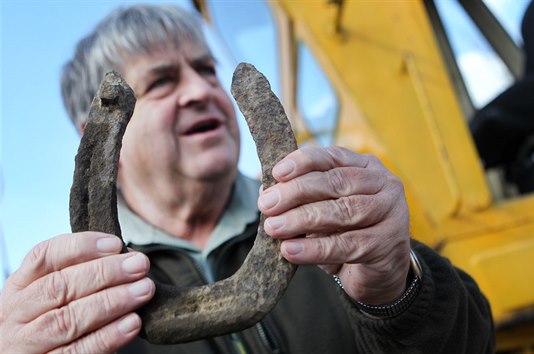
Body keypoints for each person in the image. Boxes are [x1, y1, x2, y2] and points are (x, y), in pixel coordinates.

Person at [0, 4, 494, 353]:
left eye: (205, 69)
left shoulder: (337, 232)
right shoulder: (71, 306)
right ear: (100, 135)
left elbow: (472, 343)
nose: (199, 90)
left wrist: (399, 291)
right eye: (162, 81)